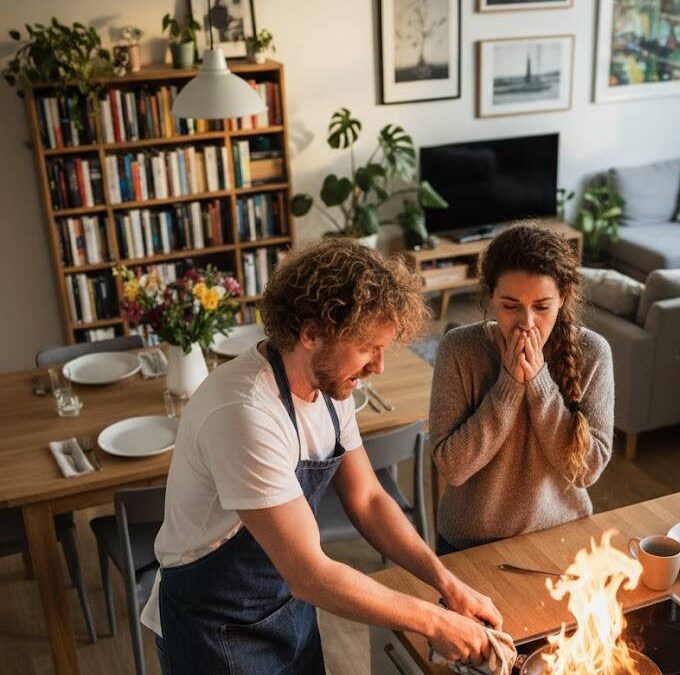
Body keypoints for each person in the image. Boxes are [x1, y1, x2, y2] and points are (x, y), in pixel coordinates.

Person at [140, 239, 500, 674]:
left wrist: (446, 582)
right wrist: (433, 621)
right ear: (311, 333)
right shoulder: (246, 413)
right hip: (214, 627)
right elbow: (309, 573)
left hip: (286, 605)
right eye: (368, 347)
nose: (378, 367)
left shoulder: (331, 386)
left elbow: (367, 498)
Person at [431, 224, 614, 554]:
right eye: (510, 306)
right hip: (469, 544)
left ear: (563, 298)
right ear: (490, 298)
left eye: (542, 307)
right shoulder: (458, 349)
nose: (526, 323)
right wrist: (509, 385)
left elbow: (586, 470)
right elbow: (452, 468)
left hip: (562, 538)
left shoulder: (592, 353)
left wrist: (539, 383)